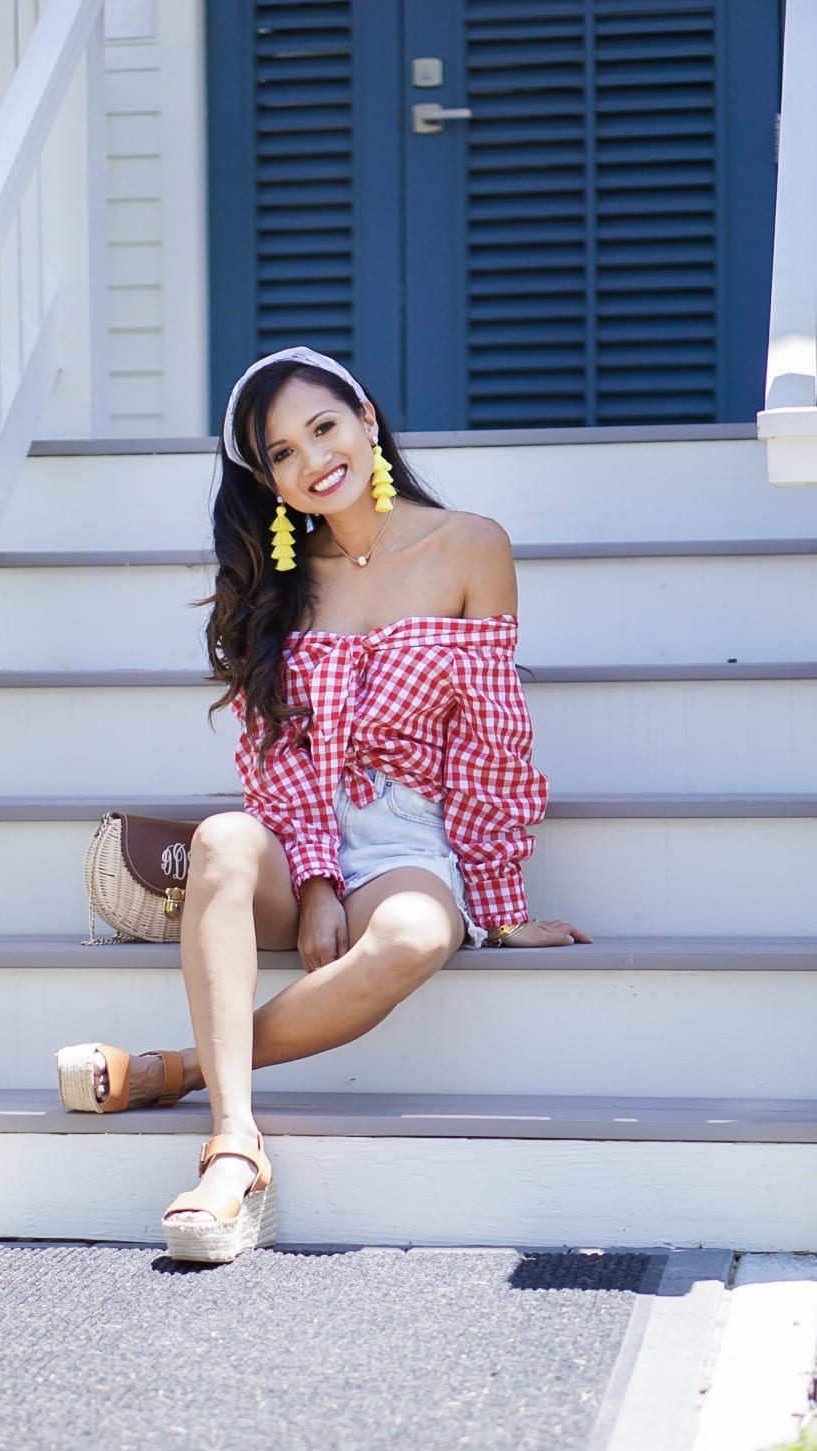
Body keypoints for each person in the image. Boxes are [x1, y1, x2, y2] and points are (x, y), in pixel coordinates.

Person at [56, 346, 591, 1264]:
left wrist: (499, 913)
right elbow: (277, 754)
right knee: (225, 835)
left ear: (367, 420)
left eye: (323, 428)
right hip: (297, 829)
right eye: (282, 455)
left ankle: (177, 1071)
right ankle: (234, 1147)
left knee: (419, 935)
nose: (313, 462)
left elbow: (491, 739)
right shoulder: (282, 580)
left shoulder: (471, 546)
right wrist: (311, 880)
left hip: (411, 833)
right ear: (267, 480)